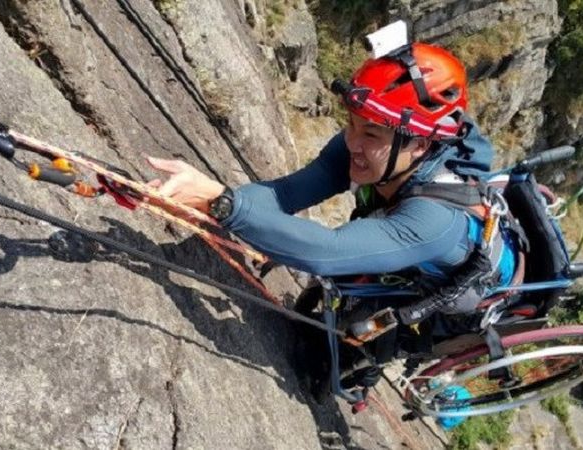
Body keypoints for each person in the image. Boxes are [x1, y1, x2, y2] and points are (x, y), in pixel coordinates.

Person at [145, 41, 516, 406]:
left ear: (419, 145)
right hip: (397, 240)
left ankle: (362, 368)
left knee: (345, 346)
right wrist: (228, 204)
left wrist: (222, 203)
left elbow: (330, 251)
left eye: (370, 134)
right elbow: (290, 192)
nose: (351, 142)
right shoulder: (385, 144)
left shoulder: (436, 220)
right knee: (335, 291)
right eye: (351, 124)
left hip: (439, 291)